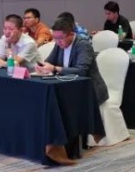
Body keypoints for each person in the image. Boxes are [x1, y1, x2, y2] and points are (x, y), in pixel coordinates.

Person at [37, 18, 109, 164]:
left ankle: (70, 148)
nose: (57, 41)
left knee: (62, 106)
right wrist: (43, 67)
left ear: (71, 34)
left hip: (89, 90)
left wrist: (55, 68)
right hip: (69, 88)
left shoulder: (83, 45)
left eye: (60, 38)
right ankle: (55, 145)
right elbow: (50, 61)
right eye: (55, 38)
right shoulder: (59, 44)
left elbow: (81, 71)